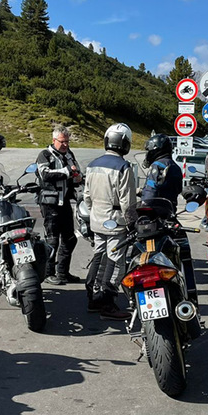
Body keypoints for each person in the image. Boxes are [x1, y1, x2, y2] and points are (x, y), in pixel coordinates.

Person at [84, 123, 137, 321]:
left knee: (98, 256)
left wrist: (96, 212)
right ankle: (108, 302)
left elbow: (87, 196)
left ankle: (93, 298)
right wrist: (132, 224)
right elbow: (128, 202)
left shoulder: (93, 164)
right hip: (116, 222)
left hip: (97, 219)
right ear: (125, 144)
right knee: (115, 262)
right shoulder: (124, 167)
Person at [141, 133, 199, 311]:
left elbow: (149, 196)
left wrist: (142, 207)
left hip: (154, 219)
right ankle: (191, 299)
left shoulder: (158, 166)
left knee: (143, 259)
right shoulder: (174, 166)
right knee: (184, 257)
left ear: (155, 150)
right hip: (171, 217)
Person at [36, 125, 82, 285]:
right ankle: (48, 273)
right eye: (62, 142)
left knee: (70, 239)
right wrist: (68, 171)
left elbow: (77, 172)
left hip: (66, 202)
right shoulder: (44, 155)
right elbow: (45, 175)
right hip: (50, 203)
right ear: (54, 140)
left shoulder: (69, 154)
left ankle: (63, 272)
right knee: (52, 240)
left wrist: (78, 177)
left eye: (67, 142)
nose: (65, 145)